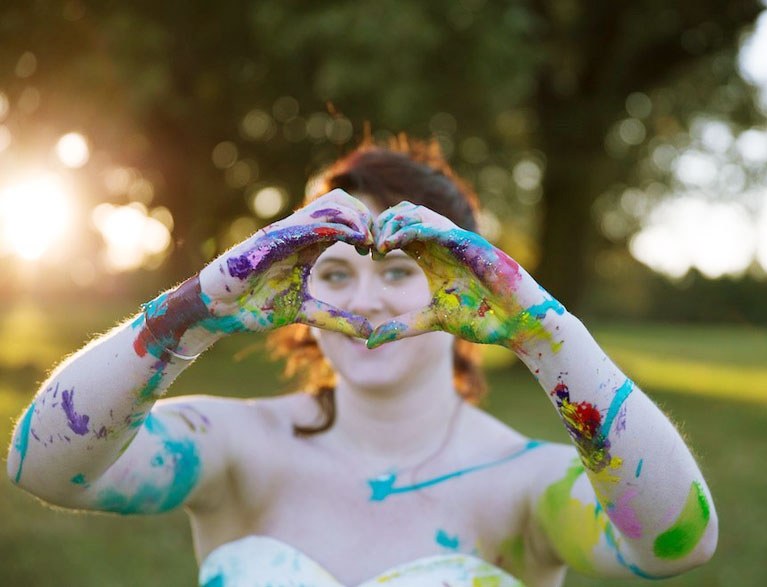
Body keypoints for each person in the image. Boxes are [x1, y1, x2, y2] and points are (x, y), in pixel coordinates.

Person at [6, 137, 717, 586]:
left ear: (467, 290)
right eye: (335, 274)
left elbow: (674, 543)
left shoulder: (527, 481)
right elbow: (41, 465)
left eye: (400, 270)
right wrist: (195, 311)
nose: (367, 299)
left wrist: (547, 336)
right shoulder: (232, 444)